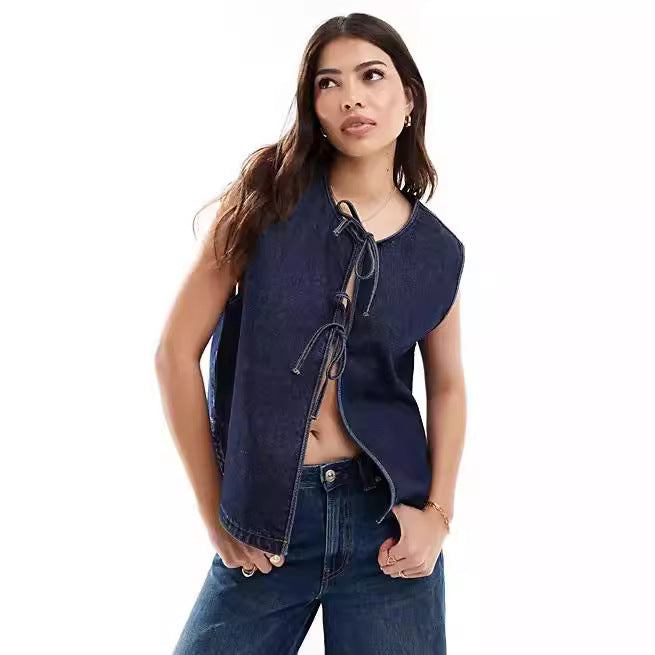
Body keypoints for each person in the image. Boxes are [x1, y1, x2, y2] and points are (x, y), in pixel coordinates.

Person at [156, 12, 467, 654]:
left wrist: (438, 516)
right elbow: (175, 354)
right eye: (330, 82)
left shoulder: (438, 252)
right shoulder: (266, 199)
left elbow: (448, 387)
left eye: (371, 76)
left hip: (386, 530)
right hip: (270, 521)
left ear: (408, 97)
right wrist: (217, 512)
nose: (351, 96)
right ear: (314, 105)